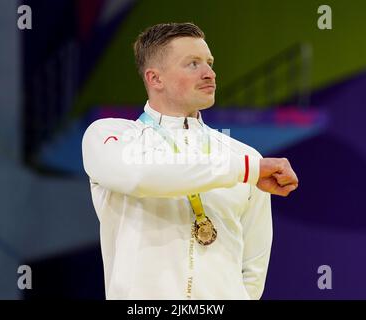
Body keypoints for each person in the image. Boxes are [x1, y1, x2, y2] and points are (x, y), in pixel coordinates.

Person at [82, 22, 298, 300]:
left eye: (209, 62)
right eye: (193, 64)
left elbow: (254, 263)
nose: (210, 73)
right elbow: (141, 176)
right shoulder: (109, 136)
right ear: (155, 78)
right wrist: (247, 170)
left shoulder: (244, 157)